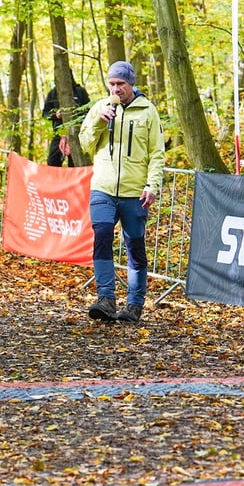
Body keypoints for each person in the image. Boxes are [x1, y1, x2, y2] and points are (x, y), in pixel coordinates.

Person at [78, 61, 165, 323]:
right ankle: (105, 299)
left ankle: (134, 304)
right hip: (103, 188)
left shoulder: (148, 111)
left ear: (131, 84)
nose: (116, 89)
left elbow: (157, 153)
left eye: (121, 84)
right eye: (112, 84)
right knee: (102, 235)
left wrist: (152, 185)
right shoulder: (100, 108)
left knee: (134, 245)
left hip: (134, 192)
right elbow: (85, 144)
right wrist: (98, 121)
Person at [42, 71, 90, 166]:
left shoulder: (80, 91)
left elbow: (88, 111)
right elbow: (45, 114)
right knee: (52, 162)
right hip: (59, 134)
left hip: (77, 133)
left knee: (75, 164)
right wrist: (56, 115)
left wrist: (76, 114)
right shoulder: (53, 93)